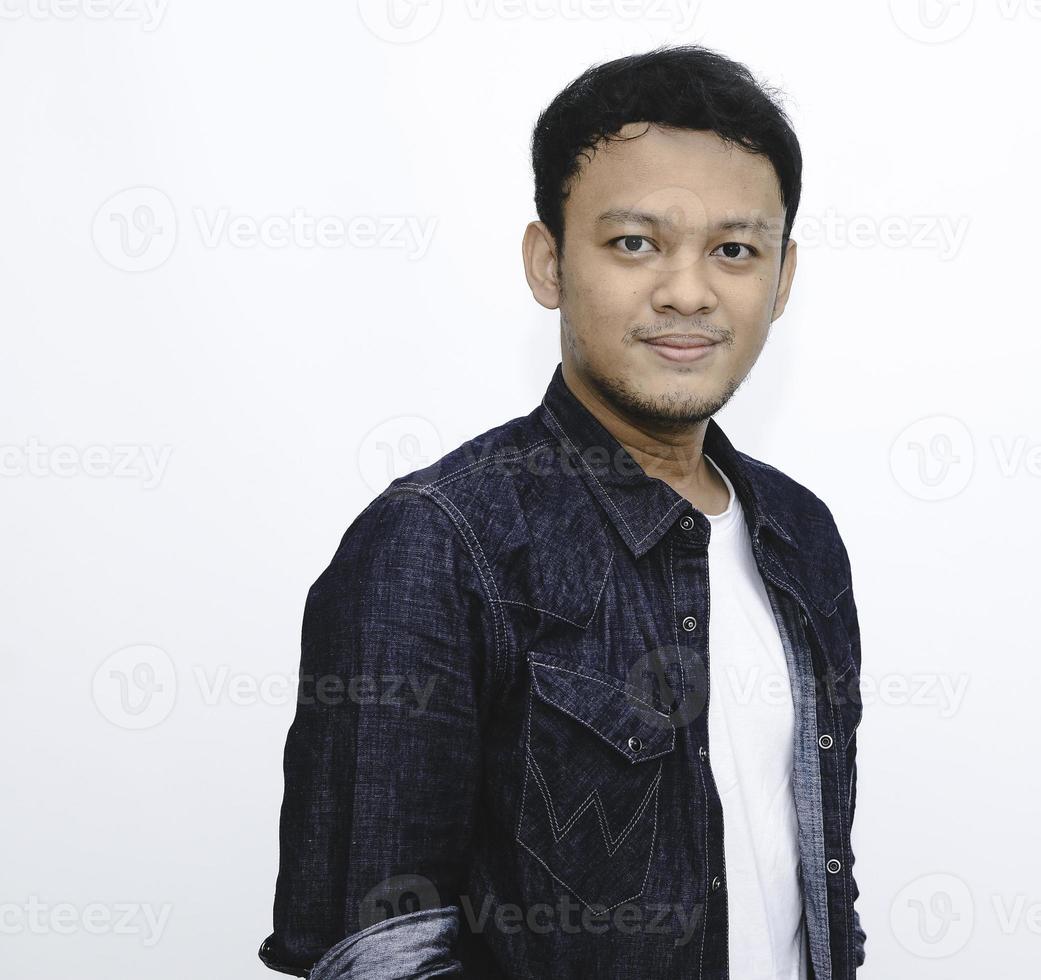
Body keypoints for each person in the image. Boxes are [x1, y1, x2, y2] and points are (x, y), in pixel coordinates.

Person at [260, 43, 865, 979]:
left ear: (781, 280)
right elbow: (372, 955)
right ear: (548, 262)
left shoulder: (802, 537)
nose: (688, 290)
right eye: (635, 243)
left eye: (735, 250)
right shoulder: (437, 544)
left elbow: (811, 889)